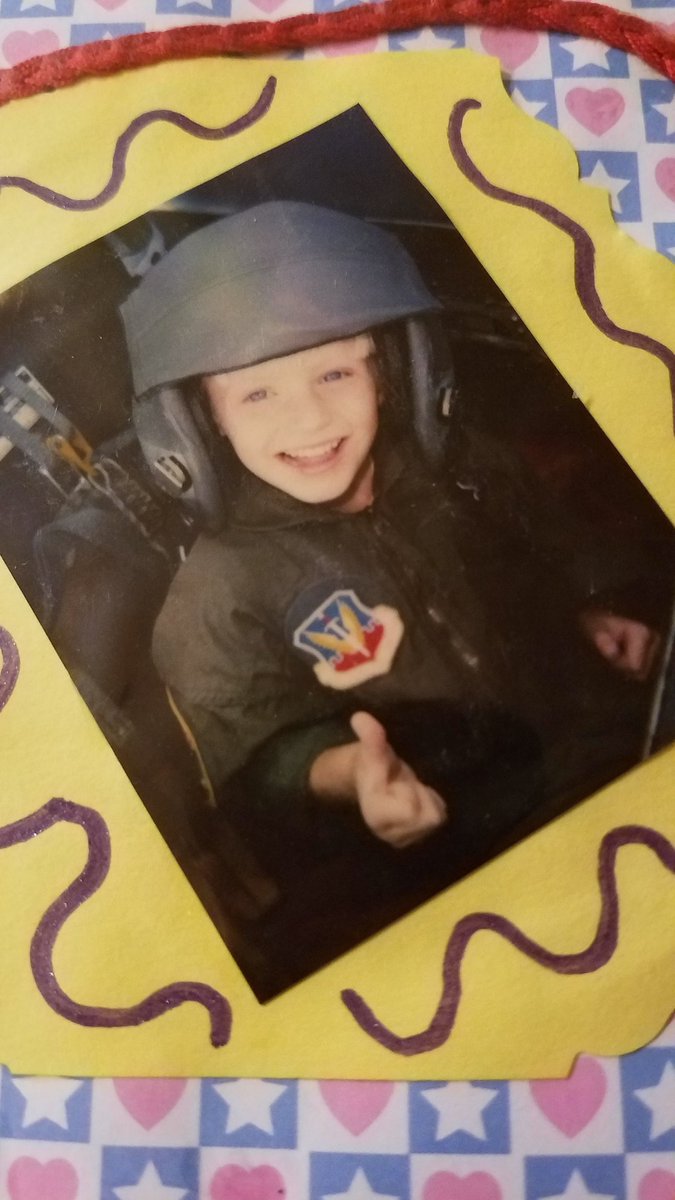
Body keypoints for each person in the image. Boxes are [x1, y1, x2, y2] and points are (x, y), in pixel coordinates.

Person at [120, 201, 663, 870]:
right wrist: (349, 774)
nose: (310, 418)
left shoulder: (465, 465)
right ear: (205, 423)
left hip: (606, 751)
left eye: (335, 373)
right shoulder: (212, 599)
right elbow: (257, 762)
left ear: (388, 375)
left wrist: (592, 608)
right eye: (258, 395)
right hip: (466, 845)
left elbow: (553, 543)